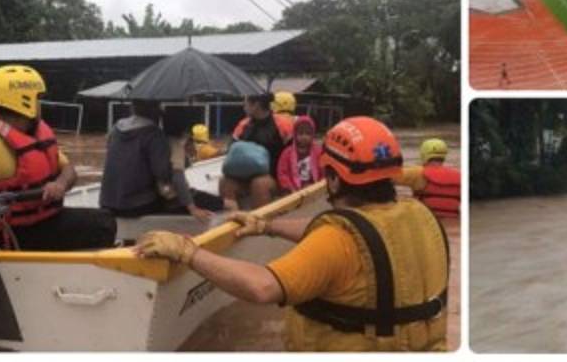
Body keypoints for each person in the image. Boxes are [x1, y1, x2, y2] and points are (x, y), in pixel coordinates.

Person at [136, 116, 449, 352]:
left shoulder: (337, 241)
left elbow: (263, 287)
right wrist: (267, 226)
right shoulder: (421, 215)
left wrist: (188, 252)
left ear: (335, 181)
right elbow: (359, 236)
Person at [0, 64, 115, 251]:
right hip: (10, 233)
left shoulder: (34, 133)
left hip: (42, 220)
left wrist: (60, 184)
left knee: (104, 220)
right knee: (102, 226)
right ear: (24, 100)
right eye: (38, 99)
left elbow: (69, 170)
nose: (39, 105)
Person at [100, 100, 222, 223]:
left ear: (133, 108)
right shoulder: (154, 135)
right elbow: (164, 174)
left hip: (107, 203)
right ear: (155, 111)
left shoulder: (115, 129)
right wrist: (192, 207)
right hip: (136, 206)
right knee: (183, 200)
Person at [220, 93, 288, 210]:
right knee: (225, 181)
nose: (243, 106)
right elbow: (231, 152)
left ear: (256, 105)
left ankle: (257, 224)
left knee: (259, 183)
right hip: (245, 177)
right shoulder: (243, 125)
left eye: (245, 103)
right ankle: (232, 222)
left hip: (273, 178)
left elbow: (293, 153)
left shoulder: (282, 124)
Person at [399, 138, 460, 221]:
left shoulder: (417, 173)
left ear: (423, 154)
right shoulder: (459, 177)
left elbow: (387, 177)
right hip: (453, 222)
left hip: (426, 223)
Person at [275, 115, 323, 194]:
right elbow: (282, 173)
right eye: (301, 133)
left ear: (313, 135)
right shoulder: (287, 152)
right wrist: (290, 188)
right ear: (295, 134)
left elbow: (323, 170)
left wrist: (318, 187)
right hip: (292, 190)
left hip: (314, 189)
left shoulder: (318, 151)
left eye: (308, 134)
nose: (304, 137)